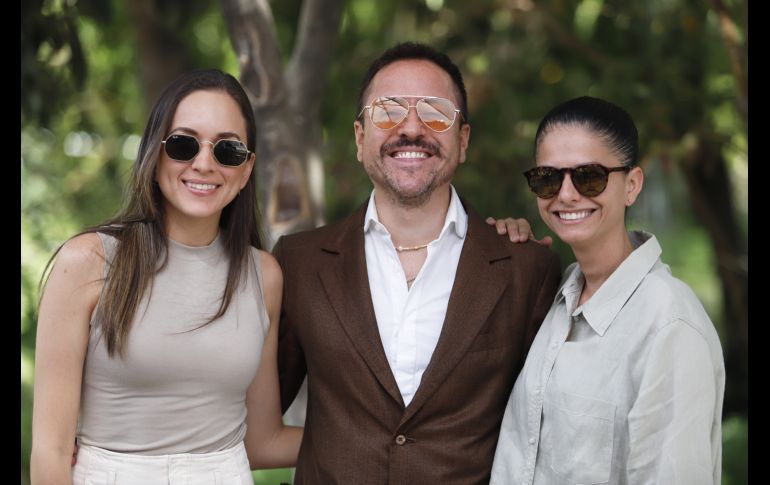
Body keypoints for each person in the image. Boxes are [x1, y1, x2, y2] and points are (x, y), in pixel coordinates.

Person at [274, 41, 561, 484]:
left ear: (462, 140)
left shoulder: (526, 269)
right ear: (359, 138)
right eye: (388, 110)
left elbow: (545, 436)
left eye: (435, 112)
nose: (411, 128)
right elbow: (249, 415)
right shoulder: (299, 264)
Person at [30, 69, 302, 485]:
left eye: (227, 150)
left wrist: (387, 438)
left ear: (247, 169)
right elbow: (50, 453)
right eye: (183, 144)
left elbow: (262, 442)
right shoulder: (87, 261)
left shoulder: (263, 275)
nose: (204, 164)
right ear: (154, 156)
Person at [490, 96, 725, 484]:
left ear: (632, 185)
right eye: (548, 178)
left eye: (589, 176)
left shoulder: (669, 326)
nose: (566, 194)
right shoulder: (557, 297)